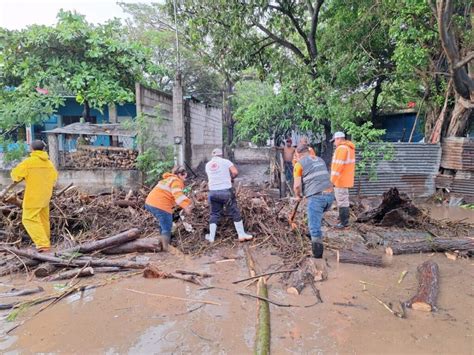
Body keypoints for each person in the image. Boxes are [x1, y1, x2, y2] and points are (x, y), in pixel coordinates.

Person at [11, 140, 58, 252]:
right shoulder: (49, 163)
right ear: (43, 149)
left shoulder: (28, 162)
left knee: (28, 219)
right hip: (45, 196)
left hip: (33, 197)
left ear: (31, 149)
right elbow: (54, 178)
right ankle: (46, 241)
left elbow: (16, 176)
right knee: (43, 219)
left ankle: (43, 244)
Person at [293, 145, 334, 259]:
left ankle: (317, 258)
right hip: (330, 197)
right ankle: (312, 233)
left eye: (296, 155)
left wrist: (298, 195)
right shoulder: (319, 159)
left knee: (315, 228)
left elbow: (297, 186)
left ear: (299, 154)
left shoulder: (299, 164)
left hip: (317, 198)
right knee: (314, 218)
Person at [205, 148, 252, 243]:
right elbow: (235, 172)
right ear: (221, 154)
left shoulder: (208, 165)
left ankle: (211, 237)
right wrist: (231, 178)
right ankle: (241, 234)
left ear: (212, 155)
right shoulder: (226, 161)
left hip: (212, 192)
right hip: (225, 192)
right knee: (234, 211)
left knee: (214, 213)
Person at [145, 166, 192, 250]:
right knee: (167, 226)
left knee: (163, 223)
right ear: (180, 174)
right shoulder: (177, 181)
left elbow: (171, 195)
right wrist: (186, 206)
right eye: (185, 175)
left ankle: (161, 244)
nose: (186, 177)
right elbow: (178, 195)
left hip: (150, 203)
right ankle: (166, 249)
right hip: (160, 205)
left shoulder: (169, 179)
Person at [330, 131, 356, 228]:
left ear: (339, 139)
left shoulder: (341, 149)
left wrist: (331, 181)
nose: (334, 143)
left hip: (340, 180)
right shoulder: (349, 148)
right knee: (343, 199)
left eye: (334, 141)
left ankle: (344, 222)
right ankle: (342, 219)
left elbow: (337, 167)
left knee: (342, 201)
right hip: (345, 179)